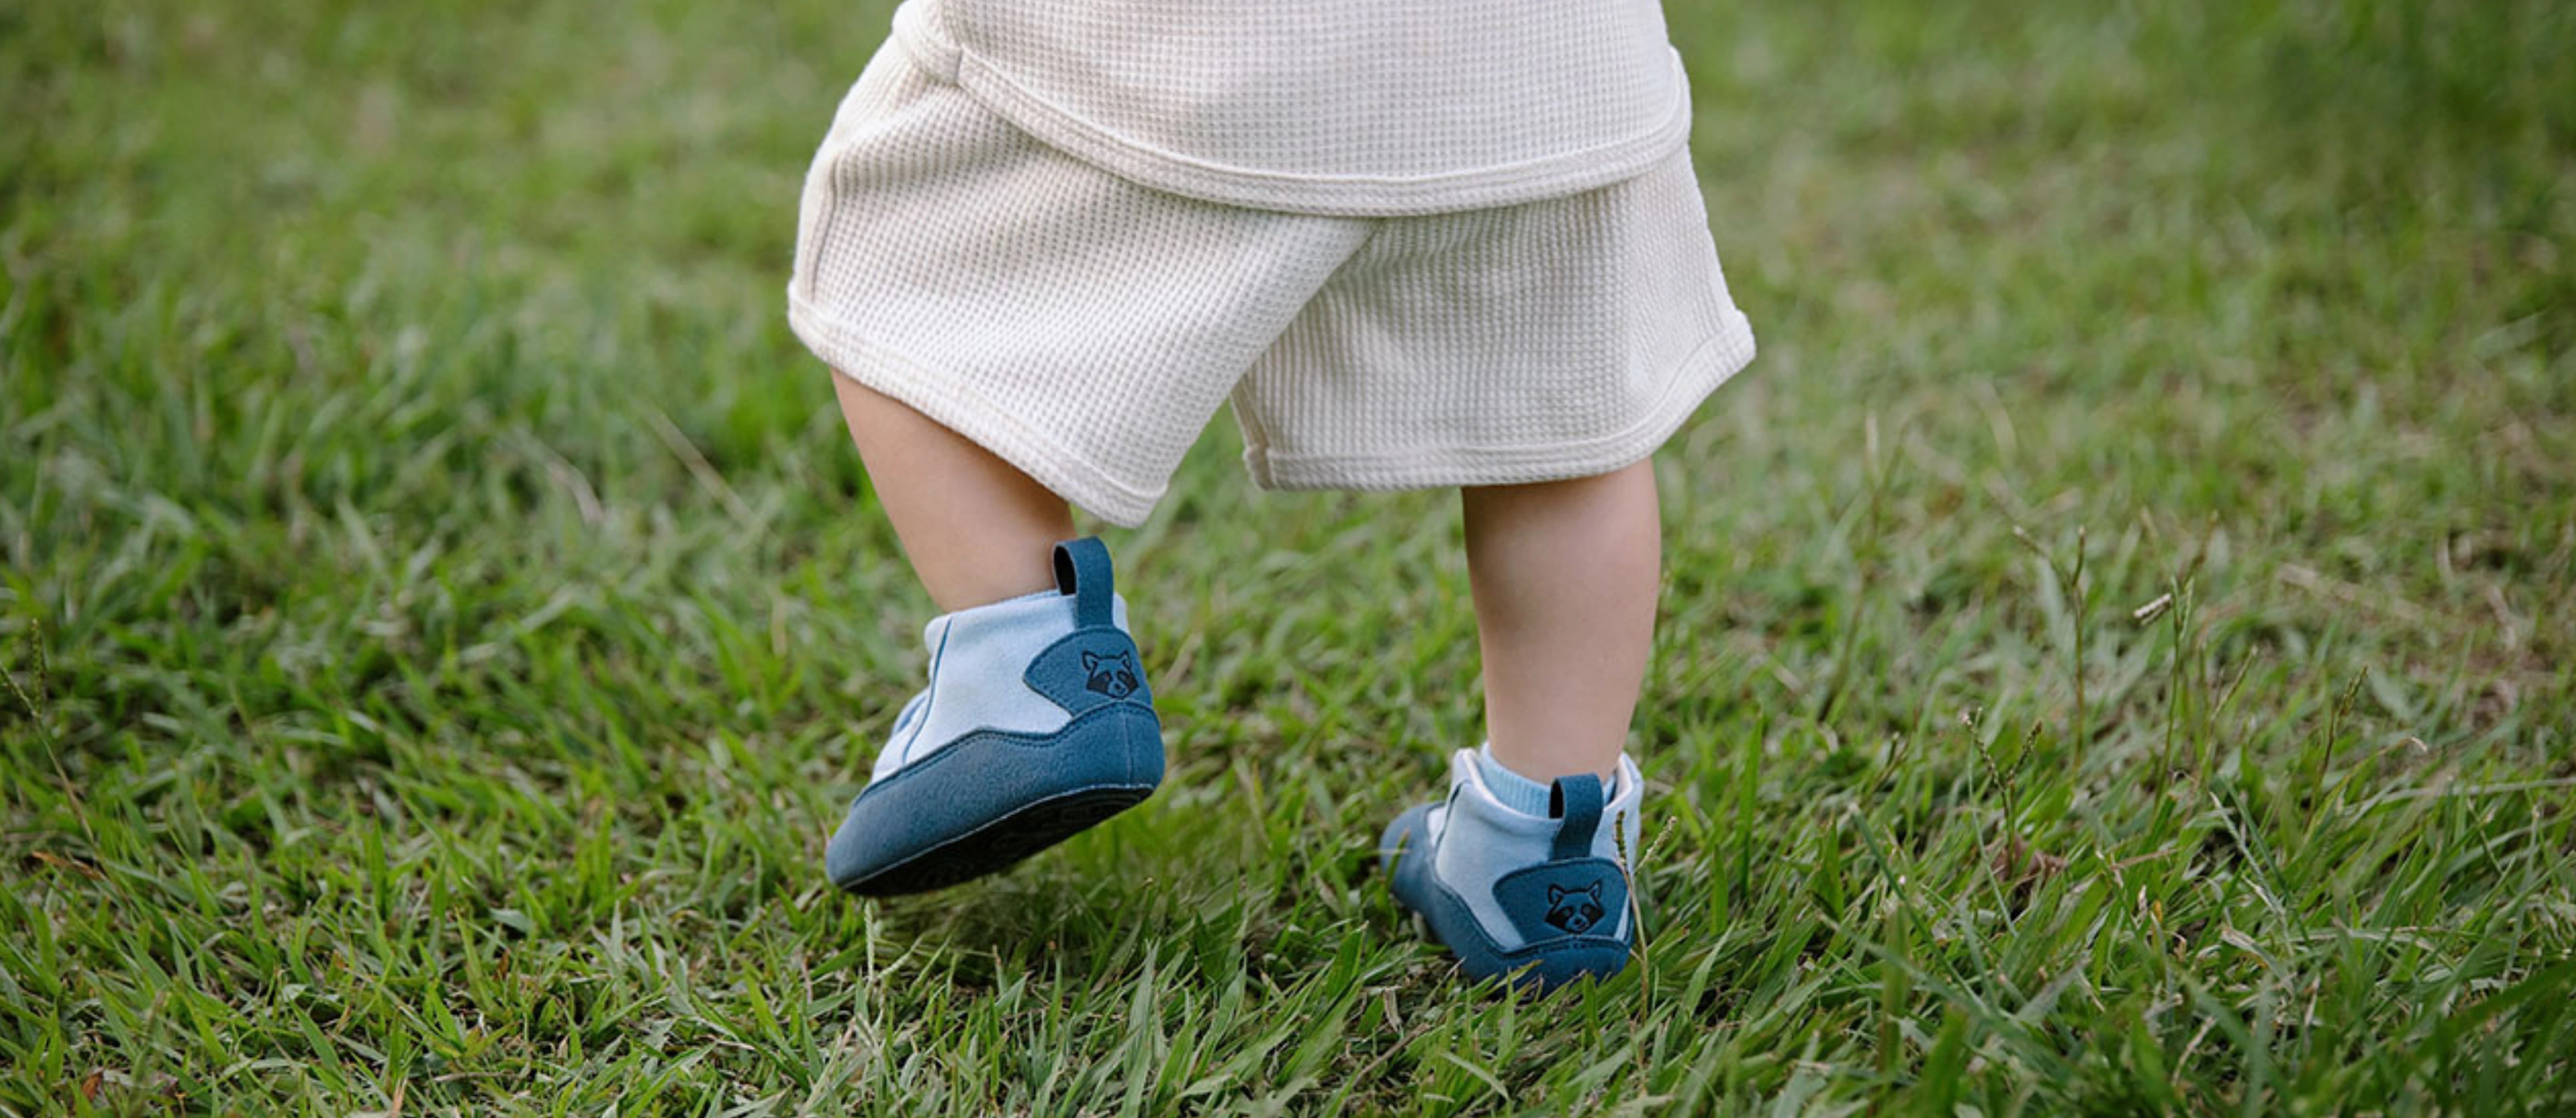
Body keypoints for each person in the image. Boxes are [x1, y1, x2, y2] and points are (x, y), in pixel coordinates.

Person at [787, 0, 1755, 990]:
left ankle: (1029, 664)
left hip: (1222, 54)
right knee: (1569, 424)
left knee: (893, 243)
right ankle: (1547, 865)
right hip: (1552, 73)